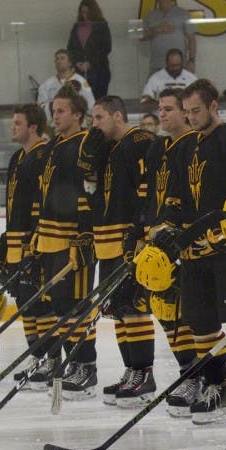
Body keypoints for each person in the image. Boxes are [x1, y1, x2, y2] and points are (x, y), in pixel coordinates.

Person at [157, 79, 226, 423]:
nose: (192, 117)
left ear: (214, 106)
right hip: (193, 254)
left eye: (196, 110)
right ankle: (217, 384)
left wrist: (221, 233)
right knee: (202, 324)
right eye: (187, 111)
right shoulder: (185, 147)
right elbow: (175, 195)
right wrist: (168, 228)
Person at [84, 95, 157, 407]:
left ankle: (145, 374)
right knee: (119, 310)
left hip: (128, 240)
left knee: (135, 308)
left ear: (117, 115)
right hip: (106, 240)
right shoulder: (108, 149)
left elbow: (147, 190)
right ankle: (131, 371)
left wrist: (141, 232)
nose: (94, 125)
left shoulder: (140, 140)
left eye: (99, 118)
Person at [30, 85, 98, 398]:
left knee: (77, 305)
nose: (54, 116)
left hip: (73, 239)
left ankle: (86, 366)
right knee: (59, 306)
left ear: (78, 115)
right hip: (49, 239)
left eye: (61, 111)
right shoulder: (54, 145)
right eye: (53, 110)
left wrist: (84, 234)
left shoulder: (83, 143)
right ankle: (70, 361)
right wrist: (36, 234)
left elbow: (88, 192)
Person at [140, 88, 202, 417]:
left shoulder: (194, 146)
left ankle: (200, 377)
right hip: (156, 240)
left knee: (187, 315)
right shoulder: (158, 148)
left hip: (182, 241)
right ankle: (187, 373)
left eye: (169, 109)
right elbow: (150, 197)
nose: (162, 115)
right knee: (165, 311)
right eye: (160, 109)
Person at [0, 104, 55, 386]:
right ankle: (36, 356)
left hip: (35, 242)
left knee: (40, 302)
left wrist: (34, 240)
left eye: (18, 123)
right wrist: (7, 239)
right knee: (24, 303)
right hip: (17, 241)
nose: (13, 127)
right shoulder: (17, 157)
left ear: (33, 127)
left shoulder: (44, 156)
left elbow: (43, 204)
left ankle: (49, 359)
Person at [143, 0, 197, 75]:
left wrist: (191, 60)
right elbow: (141, 36)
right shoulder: (150, 15)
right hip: (157, 65)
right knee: (152, 90)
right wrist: (157, 29)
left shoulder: (183, 14)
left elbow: (191, 39)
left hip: (179, 65)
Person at [67, 0, 112, 100]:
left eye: (87, 12)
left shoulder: (102, 26)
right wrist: (76, 62)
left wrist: (90, 62)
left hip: (99, 70)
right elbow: (70, 47)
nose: (85, 15)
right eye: (82, 12)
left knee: (98, 99)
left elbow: (106, 48)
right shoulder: (77, 26)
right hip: (80, 70)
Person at [36, 49, 95, 124]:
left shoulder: (80, 81)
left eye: (62, 58)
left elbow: (91, 105)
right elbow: (41, 106)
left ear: (70, 63)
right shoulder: (47, 84)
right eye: (57, 59)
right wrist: (55, 105)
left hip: (76, 124)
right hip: (54, 125)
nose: (59, 61)